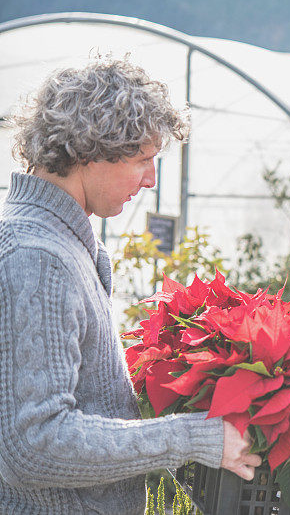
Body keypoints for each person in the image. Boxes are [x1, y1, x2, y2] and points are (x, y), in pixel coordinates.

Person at [0, 57, 260, 514]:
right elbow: (33, 446)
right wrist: (192, 436)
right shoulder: (38, 257)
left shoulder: (62, 242)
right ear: (88, 151)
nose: (150, 178)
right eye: (143, 159)